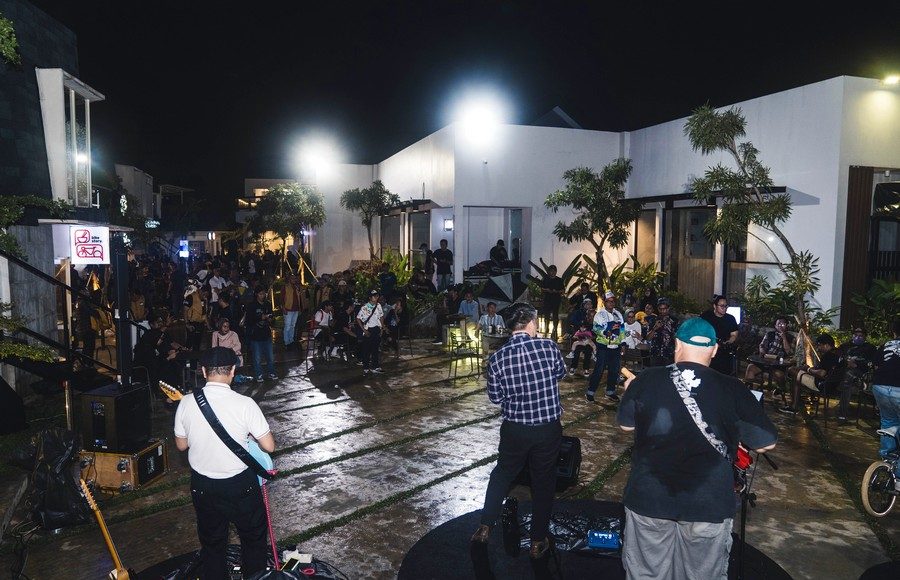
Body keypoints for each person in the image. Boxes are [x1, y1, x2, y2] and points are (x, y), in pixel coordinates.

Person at [616, 317, 777, 580]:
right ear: (714, 350)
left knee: (646, 573)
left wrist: (630, 392)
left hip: (650, 499)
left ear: (677, 344)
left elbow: (626, 426)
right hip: (708, 504)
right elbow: (767, 442)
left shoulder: (646, 379)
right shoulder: (733, 387)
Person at [471, 303, 566, 560]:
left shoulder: (497, 358)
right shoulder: (548, 347)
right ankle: (537, 541)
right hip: (547, 429)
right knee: (543, 481)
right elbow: (560, 373)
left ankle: (485, 526)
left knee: (502, 474)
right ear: (530, 322)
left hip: (514, 429)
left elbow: (495, 397)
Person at [174, 347, 275, 580]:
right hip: (240, 485)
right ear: (232, 371)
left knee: (212, 543)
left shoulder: (186, 402)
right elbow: (269, 446)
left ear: (203, 371)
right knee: (253, 539)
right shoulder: (245, 404)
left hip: (202, 485)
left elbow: (181, 445)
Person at [779, 334, 843, 415]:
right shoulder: (839, 353)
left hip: (821, 384)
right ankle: (796, 403)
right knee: (798, 374)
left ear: (826, 345)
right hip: (833, 384)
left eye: (819, 345)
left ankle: (794, 406)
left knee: (792, 370)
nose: (818, 348)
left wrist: (809, 369)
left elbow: (822, 373)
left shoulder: (828, 355)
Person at [872, 320, 900, 488]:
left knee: (888, 421)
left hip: (880, 387)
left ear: (893, 332)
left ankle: (887, 460)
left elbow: (876, 365)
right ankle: (899, 476)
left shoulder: (886, 345)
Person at [586, 290, 626, 403]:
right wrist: (605, 331)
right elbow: (595, 328)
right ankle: (590, 392)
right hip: (603, 347)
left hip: (616, 347)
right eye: (609, 301)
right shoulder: (599, 314)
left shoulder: (618, 314)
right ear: (604, 302)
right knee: (599, 370)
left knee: (614, 370)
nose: (611, 303)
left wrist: (623, 343)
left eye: (613, 301)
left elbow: (622, 330)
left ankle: (610, 392)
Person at [836, 326, 878, 421]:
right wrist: (847, 362)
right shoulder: (845, 346)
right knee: (846, 377)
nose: (858, 337)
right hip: (844, 371)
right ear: (852, 335)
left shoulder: (870, 348)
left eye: (861, 335)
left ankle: (842, 414)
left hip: (860, 373)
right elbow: (838, 358)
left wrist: (856, 364)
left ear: (865, 337)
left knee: (848, 377)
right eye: (855, 335)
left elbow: (872, 363)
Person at [744, 317, 794, 389]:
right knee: (750, 367)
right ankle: (749, 390)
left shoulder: (790, 338)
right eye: (779, 324)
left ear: (786, 325)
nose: (781, 326)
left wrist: (784, 338)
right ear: (775, 326)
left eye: (783, 324)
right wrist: (762, 352)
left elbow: (789, 352)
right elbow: (762, 345)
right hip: (764, 363)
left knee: (780, 375)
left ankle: (781, 390)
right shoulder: (770, 334)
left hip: (778, 366)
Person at [244, 286, 277, 382]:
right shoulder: (252, 306)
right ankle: (259, 374)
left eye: (264, 294)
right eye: (260, 294)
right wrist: (260, 318)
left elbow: (272, 317)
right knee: (257, 358)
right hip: (255, 335)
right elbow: (249, 320)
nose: (263, 296)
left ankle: (271, 372)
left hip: (266, 333)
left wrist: (270, 319)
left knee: (270, 357)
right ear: (256, 294)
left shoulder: (267, 304)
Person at [701, 295, 739, 375]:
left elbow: (734, 334)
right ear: (715, 306)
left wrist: (728, 342)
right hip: (708, 348)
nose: (724, 308)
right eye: (722, 306)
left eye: (726, 306)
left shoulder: (730, 318)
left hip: (724, 349)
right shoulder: (706, 316)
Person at [356, 289, 385, 374]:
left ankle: (375, 366)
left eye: (377, 296)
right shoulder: (365, 307)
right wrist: (364, 330)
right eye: (374, 296)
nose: (376, 297)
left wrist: (382, 328)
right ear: (370, 297)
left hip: (376, 328)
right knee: (367, 349)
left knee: (375, 349)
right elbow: (358, 318)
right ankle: (366, 367)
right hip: (368, 329)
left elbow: (381, 316)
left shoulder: (378, 305)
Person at [645, 298, 678, 366]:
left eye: (664, 308)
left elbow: (677, 339)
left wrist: (669, 329)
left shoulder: (674, 321)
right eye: (660, 309)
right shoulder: (653, 320)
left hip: (669, 354)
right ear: (658, 309)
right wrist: (654, 329)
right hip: (655, 354)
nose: (662, 311)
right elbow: (648, 338)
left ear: (668, 308)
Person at [281, 274, 305, 350]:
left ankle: (291, 340)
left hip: (296, 309)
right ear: (289, 279)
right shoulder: (285, 287)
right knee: (287, 326)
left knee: (292, 326)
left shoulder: (296, 287)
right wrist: (283, 308)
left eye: (295, 278)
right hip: (288, 309)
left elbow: (299, 299)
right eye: (292, 278)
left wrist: (299, 308)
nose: (294, 280)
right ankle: (286, 341)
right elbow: (282, 299)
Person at [540, 265, 564, 339]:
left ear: (556, 272)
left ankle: (555, 330)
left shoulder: (559, 280)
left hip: (556, 299)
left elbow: (562, 290)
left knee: (555, 315)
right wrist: (547, 290)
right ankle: (546, 328)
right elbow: (542, 288)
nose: (553, 273)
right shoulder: (545, 279)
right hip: (547, 299)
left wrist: (556, 291)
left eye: (554, 271)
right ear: (549, 272)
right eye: (551, 271)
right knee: (546, 315)